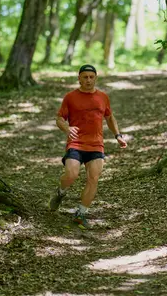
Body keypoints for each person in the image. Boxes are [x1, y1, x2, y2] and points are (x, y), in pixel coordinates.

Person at [48, 64, 127, 229]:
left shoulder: (103, 97)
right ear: (79, 78)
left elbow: (110, 117)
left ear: (96, 78)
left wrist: (118, 136)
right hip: (76, 143)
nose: (88, 80)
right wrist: (67, 129)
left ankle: (81, 213)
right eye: (85, 77)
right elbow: (59, 119)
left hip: (96, 145)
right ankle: (60, 192)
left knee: (93, 179)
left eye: (91, 77)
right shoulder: (70, 97)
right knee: (71, 174)